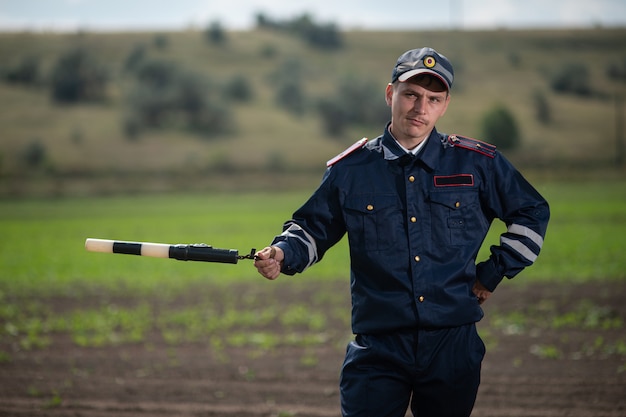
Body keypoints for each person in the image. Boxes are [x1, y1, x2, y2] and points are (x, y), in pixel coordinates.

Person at [254, 47, 550, 417]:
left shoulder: (477, 164)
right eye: (411, 94)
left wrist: (492, 273)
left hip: (452, 344)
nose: (420, 107)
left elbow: (532, 211)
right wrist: (282, 254)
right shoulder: (351, 170)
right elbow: (313, 229)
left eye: (433, 99)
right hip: (378, 347)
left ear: (445, 105)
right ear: (391, 94)